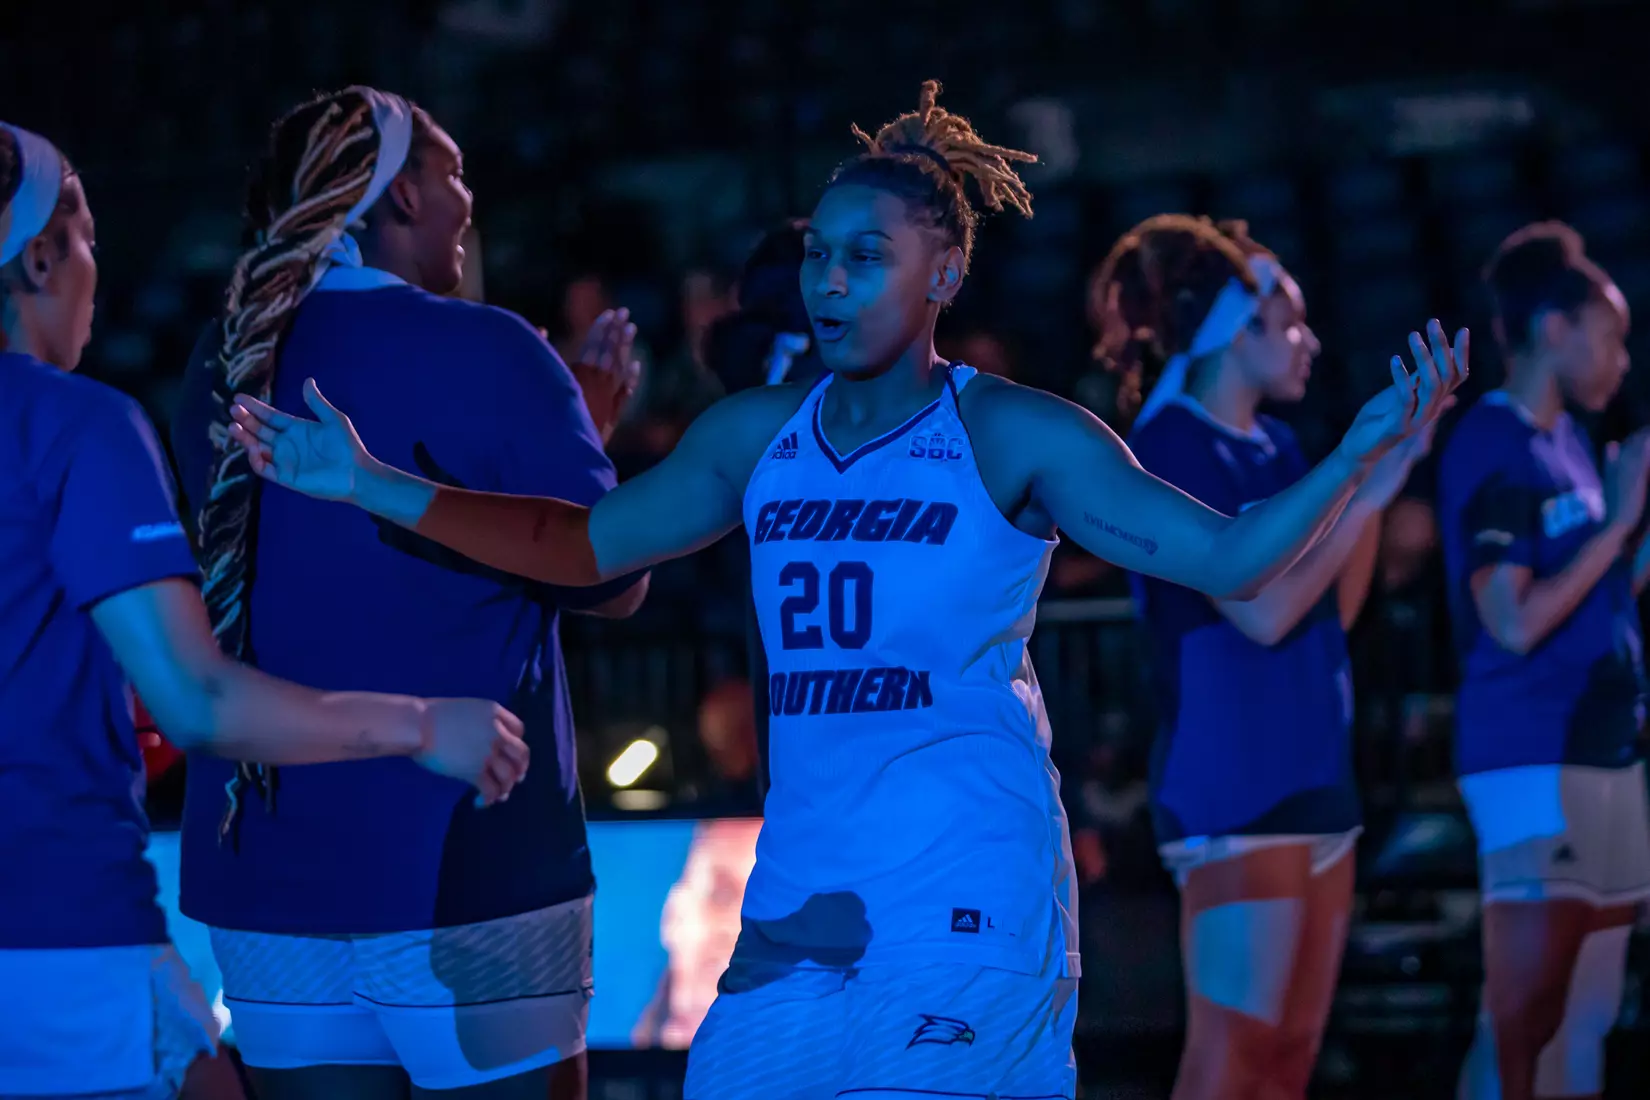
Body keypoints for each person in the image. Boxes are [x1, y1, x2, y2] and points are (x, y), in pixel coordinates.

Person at [226, 80, 1465, 1098]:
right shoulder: (758, 431)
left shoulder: (1014, 432)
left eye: (867, 257)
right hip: (800, 910)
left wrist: (1360, 453)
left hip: (967, 891)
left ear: (945, 273)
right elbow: (580, 542)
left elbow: (1233, 558)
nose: (829, 281)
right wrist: (371, 483)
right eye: (820, 256)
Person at [0, 122, 526, 1100]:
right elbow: (197, 701)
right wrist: (421, 723)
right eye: (88, 243)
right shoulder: (77, 424)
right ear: (39, 255)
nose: (93, 277)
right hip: (56, 940)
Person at [168, 87, 645, 1100]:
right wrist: (582, 427)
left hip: (265, 873)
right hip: (467, 863)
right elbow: (613, 579)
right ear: (405, 193)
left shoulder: (220, 358)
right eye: (453, 173)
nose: (469, 200)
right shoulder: (495, 347)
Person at [1094, 214, 1436, 1100]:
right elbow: (1265, 613)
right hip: (1235, 786)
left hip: (1315, 771)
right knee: (1230, 1061)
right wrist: (1359, 479)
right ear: (1233, 333)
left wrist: (1375, 484)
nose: (1309, 342)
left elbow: (1331, 614)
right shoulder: (1170, 443)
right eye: (1289, 323)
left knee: (1287, 1062)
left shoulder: (1281, 448)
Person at [1440, 222, 1648, 1100]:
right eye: (1610, 336)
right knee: (1522, 1020)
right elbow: (1513, 622)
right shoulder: (1495, 440)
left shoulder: (1572, 446)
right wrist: (1618, 523)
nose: (1623, 361)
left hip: (1606, 746)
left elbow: (1597, 591)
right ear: (1554, 328)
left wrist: (1632, 540)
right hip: (1531, 754)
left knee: (1589, 1014)